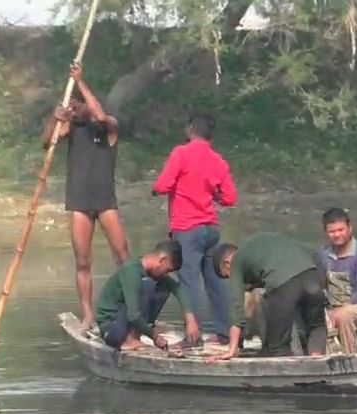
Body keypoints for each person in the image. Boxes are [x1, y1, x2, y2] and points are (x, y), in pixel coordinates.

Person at [46, 63, 130, 330]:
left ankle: (130, 308)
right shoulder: (73, 129)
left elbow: (101, 116)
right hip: (80, 203)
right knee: (82, 260)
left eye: (78, 104)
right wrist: (57, 118)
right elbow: (48, 142)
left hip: (106, 202)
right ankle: (88, 314)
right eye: (73, 105)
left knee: (123, 257)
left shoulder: (110, 128)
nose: (74, 108)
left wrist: (80, 81)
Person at [152, 112, 238, 344]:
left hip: (187, 228)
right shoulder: (218, 160)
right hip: (211, 228)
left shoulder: (181, 153)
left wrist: (156, 189)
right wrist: (213, 194)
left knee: (190, 283)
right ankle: (225, 334)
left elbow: (163, 184)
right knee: (217, 283)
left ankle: (193, 336)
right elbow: (230, 198)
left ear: (190, 129)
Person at [207, 235, 326, 360]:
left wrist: (232, 349)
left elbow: (236, 308)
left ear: (227, 264)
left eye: (227, 276)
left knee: (277, 346)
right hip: (312, 278)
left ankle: (284, 375)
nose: (231, 279)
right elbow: (316, 254)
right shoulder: (261, 245)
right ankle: (315, 360)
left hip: (285, 286)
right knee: (316, 326)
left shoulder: (236, 261)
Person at [94, 240, 201, 351]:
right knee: (147, 284)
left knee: (163, 287)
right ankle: (129, 339)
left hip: (125, 322)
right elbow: (133, 315)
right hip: (111, 328)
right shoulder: (132, 272)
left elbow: (178, 288)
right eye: (167, 270)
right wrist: (154, 336)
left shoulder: (151, 272)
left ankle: (138, 333)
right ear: (162, 260)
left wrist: (190, 320)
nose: (166, 274)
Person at [316, 208, 357, 354]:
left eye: (341, 230)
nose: (337, 235)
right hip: (331, 308)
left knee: (344, 317)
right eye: (332, 231)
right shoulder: (323, 255)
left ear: (350, 228)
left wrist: (341, 309)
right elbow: (319, 286)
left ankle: (350, 359)